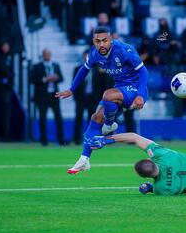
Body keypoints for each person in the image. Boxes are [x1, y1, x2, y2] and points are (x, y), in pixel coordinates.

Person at [56, 26, 148, 174]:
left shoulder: (124, 50)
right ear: (93, 41)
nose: (101, 44)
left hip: (135, 88)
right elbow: (84, 69)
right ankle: (84, 159)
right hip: (119, 89)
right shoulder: (94, 53)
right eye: (97, 41)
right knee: (96, 117)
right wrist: (71, 89)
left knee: (107, 95)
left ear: (110, 39)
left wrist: (141, 95)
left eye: (105, 40)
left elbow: (143, 71)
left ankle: (110, 125)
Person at [30, 49, 65, 146]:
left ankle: (61, 140)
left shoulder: (55, 65)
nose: (47, 56)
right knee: (42, 118)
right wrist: (45, 79)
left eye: (48, 54)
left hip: (54, 95)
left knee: (58, 118)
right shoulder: (37, 67)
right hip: (42, 97)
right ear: (43, 55)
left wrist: (56, 78)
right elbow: (32, 79)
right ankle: (44, 140)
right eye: (45, 54)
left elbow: (61, 78)